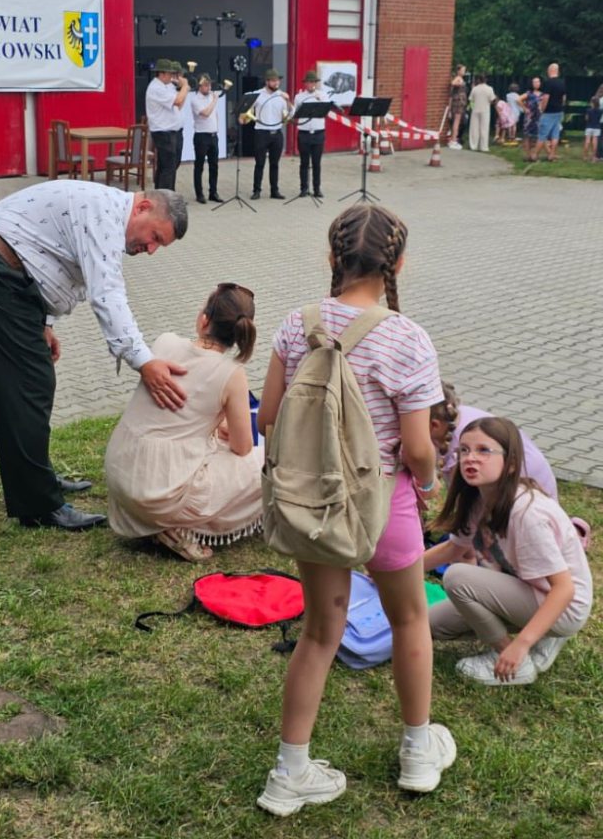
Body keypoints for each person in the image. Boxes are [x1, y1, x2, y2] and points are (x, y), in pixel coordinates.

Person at [255, 204, 453, 815]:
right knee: (410, 619)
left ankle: (289, 772)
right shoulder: (408, 338)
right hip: (384, 503)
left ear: (331, 257)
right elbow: (417, 448)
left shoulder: (297, 324)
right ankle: (417, 751)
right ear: (399, 263)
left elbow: (267, 417)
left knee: (320, 631)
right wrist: (429, 484)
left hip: (313, 503)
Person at [0, 182, 190, 531]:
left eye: (159, 245)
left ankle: (37, 481)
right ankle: (38, 505)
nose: (150, 250)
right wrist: (144, 361)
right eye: (155, 238)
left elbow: (52, 258)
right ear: (143, 207)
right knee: (26, 384)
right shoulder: (104, 213)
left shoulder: (105, 211)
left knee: (31, 381)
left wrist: (44, 323)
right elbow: (107, 293)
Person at [424, 417, 592, 686]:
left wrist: (520, 645)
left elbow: (563, 588)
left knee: (457, 578)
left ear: (511, 463)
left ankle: (515, 661)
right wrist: (398, 572)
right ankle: (544, 635)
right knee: (429, 624)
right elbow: (455, 547)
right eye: (464, 450)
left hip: (564, 606)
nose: (470, 458)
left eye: (484, 451)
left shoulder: (526, 514)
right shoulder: (479, 497)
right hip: (525, 590)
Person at [104, 284, 262, 561]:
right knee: (264, 464)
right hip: (161, 492)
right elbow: (242, 447)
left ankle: (157, 523)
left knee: (212, 445)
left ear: (204, 320)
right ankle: (176, 526)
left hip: (120, 472)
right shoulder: (231, 373)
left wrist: (214, 427)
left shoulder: (164, 342)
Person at [429, 383, 558, 501]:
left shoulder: (465, 438)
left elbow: (460, 496)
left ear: (434, 425)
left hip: (526, 493)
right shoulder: (449, 415)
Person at [145, 59, 188, 192]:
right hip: (163, 132)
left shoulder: (167, 86)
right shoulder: (156, 88)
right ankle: (166, 196)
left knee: (170, 165)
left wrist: (183, 90)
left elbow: (179, 104)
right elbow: (178, 100)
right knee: (168, 166)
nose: (171, 76)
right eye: (169, 73)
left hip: (173, 131)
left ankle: (162, 193)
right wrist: (185, 86)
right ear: (162, 74)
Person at [247, 68, 290, 200]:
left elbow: (289, 114)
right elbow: (246, 106)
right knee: (259, 163)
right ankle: (256, 190)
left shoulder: (282, 96)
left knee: (274, 164)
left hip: (277, 132)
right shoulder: (258, 94)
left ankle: (274, 190)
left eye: (278, 80)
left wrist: (288, 101)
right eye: (273, 80)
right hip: (261, 132)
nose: (276, 83)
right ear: (267, 82)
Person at [292, 70, 329, 198]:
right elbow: (295, 113)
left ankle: (317, 189)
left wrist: (319, 99)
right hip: (304, 132)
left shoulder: (323, 95)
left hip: (318, 132)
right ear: (305, 84)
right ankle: (304, 188)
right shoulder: (299, 97)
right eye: (309, 82)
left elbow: (326, 110)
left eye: (313, 82)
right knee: (304, 162)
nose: (311, 84)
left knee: (316, 163)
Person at [189, 74, 222, 203]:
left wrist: (216, 128)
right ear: (200, 86)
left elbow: (214, 115)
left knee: (214, 165)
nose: (209, 87)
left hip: (213, 135)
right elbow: (206, 114)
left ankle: (213, 192)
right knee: (199, 165)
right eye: (206, 85)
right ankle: (199, 194)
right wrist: (215, 100)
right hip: (201, 135)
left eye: (210, 85)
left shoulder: (210, 96)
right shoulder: (195, 100)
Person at [538, 63, 566, 159]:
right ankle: (551, 154)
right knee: (555, 134)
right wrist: (560, 106)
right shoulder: (562, 83)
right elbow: (564, 98)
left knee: (542, 134)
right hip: (558, 111)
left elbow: (546, 97)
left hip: (548, 111)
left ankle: (535, 154)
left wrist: (542, 109)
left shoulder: (548, 83)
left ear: (550, 70)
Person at [466, 74, 495, 153]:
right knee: (484, 128)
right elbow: (492, 100)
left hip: (475, 109)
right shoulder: (489, 89)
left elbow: (471, 100)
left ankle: (473, 145)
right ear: (486, 80)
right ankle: (483, 146)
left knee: (474, 128)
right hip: (485, 110)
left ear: (479, 80)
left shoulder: (475, 89)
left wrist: (472, 108)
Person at [521, 77, 545, 162]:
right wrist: (525, 108)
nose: (536, 84)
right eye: (534, 82)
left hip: (539, 117)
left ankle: (534, 155)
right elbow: (518, 99)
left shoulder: (543, 94)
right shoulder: (529, 93)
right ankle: (528, 155)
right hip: (530, 118)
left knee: (538, 136)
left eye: (538, 82)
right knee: (527, 136)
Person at [444, 66, 467, 149]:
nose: (464, 72)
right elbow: (452, 83)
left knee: (457, 122)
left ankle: (453, 139)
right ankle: (453, 140)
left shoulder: (459, 78)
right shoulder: (458, 78)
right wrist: (458, 83)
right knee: (456, 122)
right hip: (458, 103)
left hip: (459, 102)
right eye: (463, 70)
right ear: (458, 71)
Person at [582, 96, 602, 162]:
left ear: (592, 103)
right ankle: (593, 157)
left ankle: (585, 156)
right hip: (597, 127)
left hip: (589, 126)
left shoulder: (588, 110)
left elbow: (586, 118)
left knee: (587, 141)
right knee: (595, 142)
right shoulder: (600, 111)